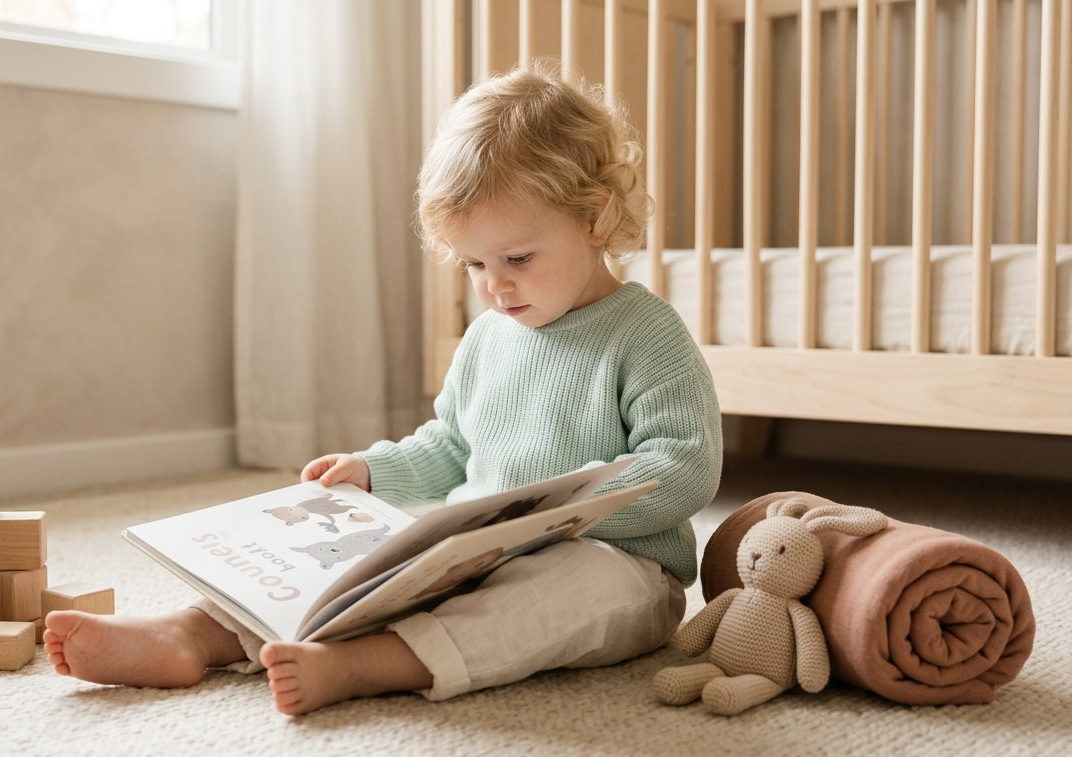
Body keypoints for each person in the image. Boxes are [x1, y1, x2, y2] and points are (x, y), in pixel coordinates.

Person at [43, 62, 723, 716]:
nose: (495, 286)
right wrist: (375, 472)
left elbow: (684, 467)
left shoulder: (646, 333)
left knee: (560, 592)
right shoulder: (491, 337)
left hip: (620, 569)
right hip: (479, 550)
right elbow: (452, 444)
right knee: (368, 561)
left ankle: (369, 664)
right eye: (474, 264)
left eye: (516, 258)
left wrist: (571, 512)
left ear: (596, 218)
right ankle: (194, 632)